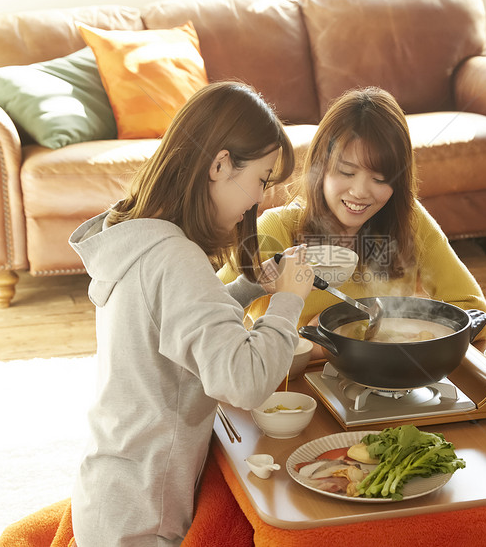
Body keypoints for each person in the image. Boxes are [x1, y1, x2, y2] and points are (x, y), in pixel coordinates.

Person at [68, 81, 315, 546]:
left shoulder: (139, 235)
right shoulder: (175, 258)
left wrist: (246, 289)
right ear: (220, 164)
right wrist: (288, 300)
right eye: (261, 181)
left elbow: (171, 323)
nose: (257, 201)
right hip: (143, 521)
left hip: (110, 493)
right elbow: (243, 381)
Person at [218, 86, 486, 333]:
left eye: (381, 179)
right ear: (320, 168)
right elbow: (205, 315)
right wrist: (308, 344)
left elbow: (473, 309)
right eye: (346, 172)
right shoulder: (276, 229)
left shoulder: (409, 219)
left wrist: (390, 327)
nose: (360, 192)